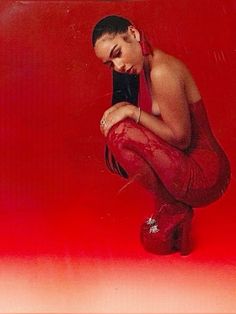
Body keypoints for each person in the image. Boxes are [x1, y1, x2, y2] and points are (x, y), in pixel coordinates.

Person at [91, 15, 231, 255]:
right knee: (122, 127)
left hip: (205, 174)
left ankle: (175, 208)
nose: (118, 66)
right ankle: (173, 207)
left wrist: (131, 111)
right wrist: (124, 111)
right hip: (195, 164)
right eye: (110, 63)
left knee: (120, 133)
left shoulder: (161, 71)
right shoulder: (151, 66)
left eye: (117, 53)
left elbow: (181, 139)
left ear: (133, 34)